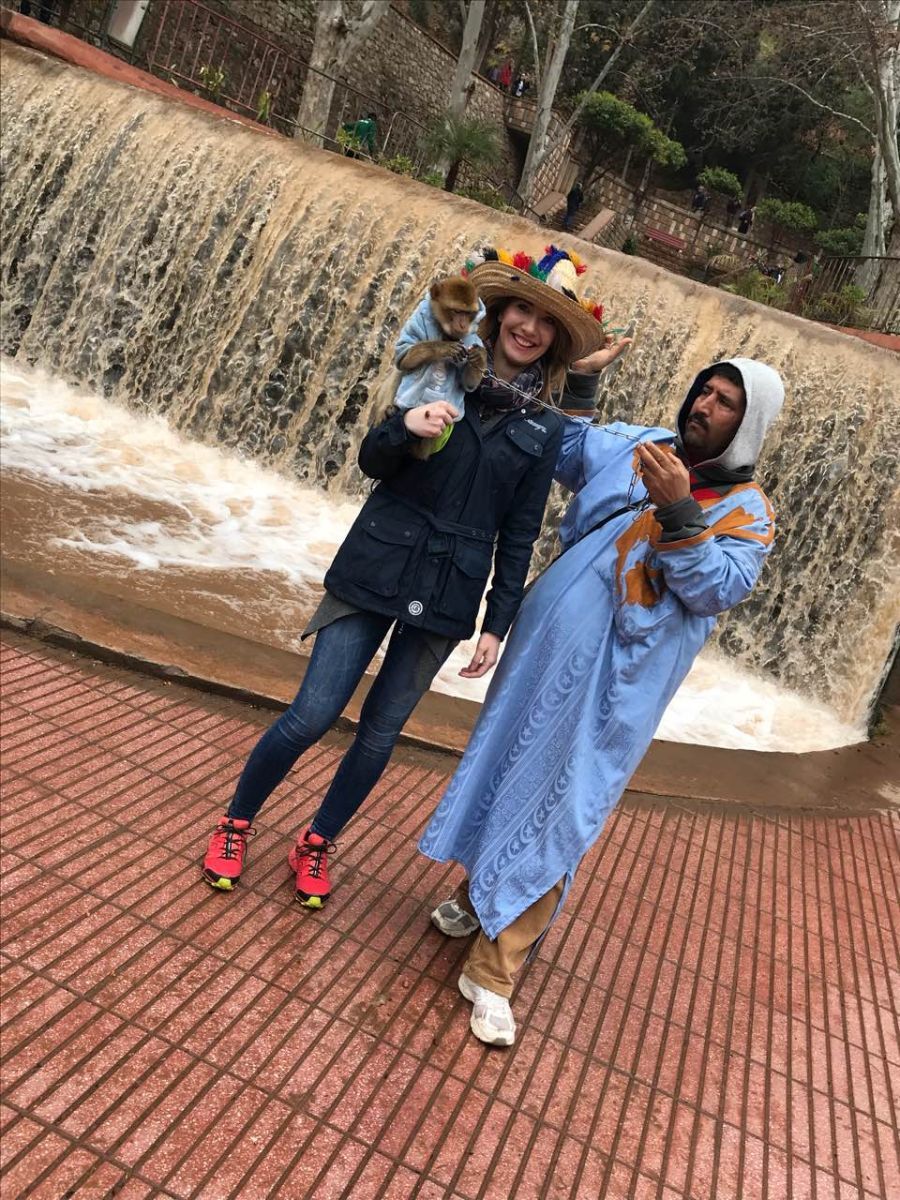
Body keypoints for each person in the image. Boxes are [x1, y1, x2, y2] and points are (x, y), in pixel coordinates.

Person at [201, 245, 623, 908]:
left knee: (379, 735)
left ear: (555, 343)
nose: (530, 329)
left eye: (547, 324)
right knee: (312, 714)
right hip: (377, 561)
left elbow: (519, 534)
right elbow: (372, 461)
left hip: (451, 589)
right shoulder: (439, 372)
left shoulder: (543, 428)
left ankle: (317, 840)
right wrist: (404, 426)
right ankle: (236, 822)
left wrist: (497, 624)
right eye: (523, 311)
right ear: (499, 314)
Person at [421, 356, 784, 1046]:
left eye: (725, 402)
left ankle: (496, 972)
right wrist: (580, 381)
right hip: (543, 650)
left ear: (749, 423)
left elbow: (715, 589)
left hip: (616, 685)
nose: (704, 405)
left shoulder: (749, 514)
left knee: (565, 802)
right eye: (704, 390)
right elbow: (560, 449)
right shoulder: (640, 444)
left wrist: (677, 507)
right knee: (509, 765)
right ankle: (477, 897)